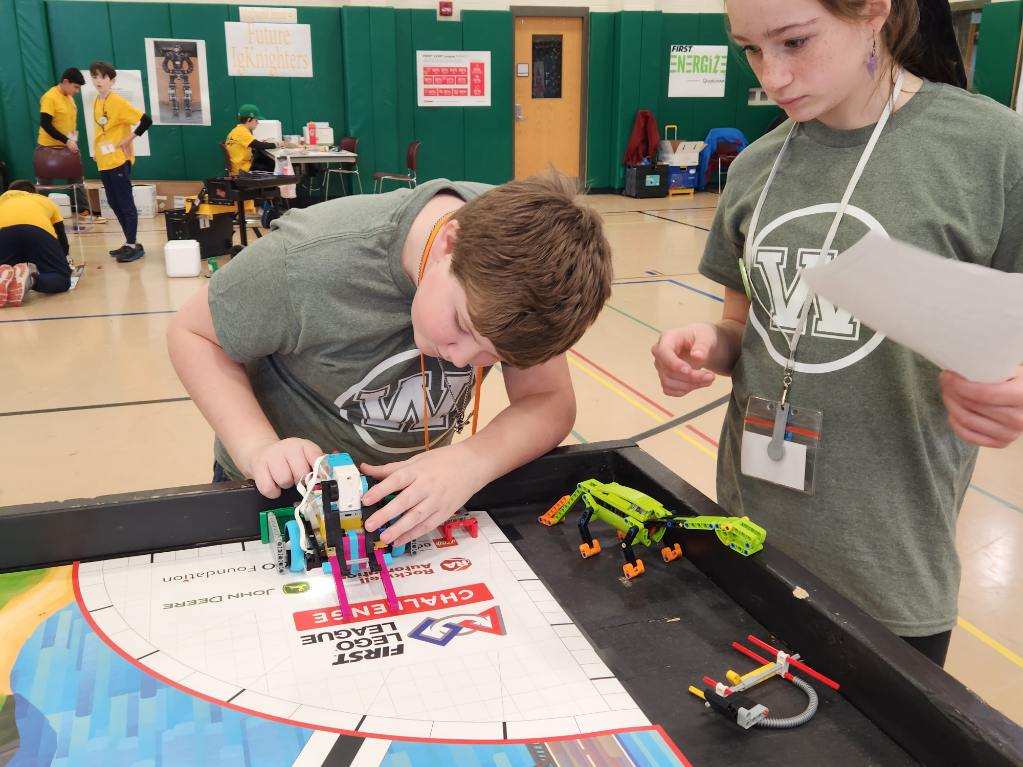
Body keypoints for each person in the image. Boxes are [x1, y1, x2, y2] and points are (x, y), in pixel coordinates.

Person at [651, 0, 1023, 667]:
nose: (773, 76)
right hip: (748, 540)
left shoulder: (991, 149)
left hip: (887, 565)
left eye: (794, 42)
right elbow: (741, 325)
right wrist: (708, 346)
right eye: (750, 50)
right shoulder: (755, 168)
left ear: (873, 12)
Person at [168, 173, 613, 547]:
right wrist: (258, 447)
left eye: (492, 356)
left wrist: (471, 461)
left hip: (409, 501)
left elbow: (548, 399)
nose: (463, 360)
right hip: (280, 494)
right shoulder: (307, 261)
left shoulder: (532, 272)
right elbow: (192, 333)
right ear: (449, 243)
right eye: (460, 325)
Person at [89, 61, 153, 263]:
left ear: (111, 80)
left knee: (125, 203)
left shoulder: (118, 102)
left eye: (102, 77)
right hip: (104, 161)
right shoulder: (97, 101)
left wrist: (130, 138)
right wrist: (96, 151)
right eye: (94, 76)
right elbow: (102, 130)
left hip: (118, 160)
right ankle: (128, 242)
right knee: (114, 202)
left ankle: (133, 244)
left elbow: (146, 120)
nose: (97, 81)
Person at [35, 67, 100, 224]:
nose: (77, 91)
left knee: (77, 180)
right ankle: (37, 215)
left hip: (68, 146)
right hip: (48, 149)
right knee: (44, 185)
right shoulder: (50, 97)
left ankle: (84, 211)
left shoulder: (69, 97)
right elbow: (45, 125)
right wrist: (66, 140)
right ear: (65, 82)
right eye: (75, 87)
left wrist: (72, 141)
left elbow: (69, 122)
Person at [0, 180, 72, 305]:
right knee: (62, 278)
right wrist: (62, 259)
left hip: (3, 234)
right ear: (33, 192)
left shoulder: (2, 201)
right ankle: (30, 280)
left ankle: (5, 276)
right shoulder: (44, 200)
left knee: (6, 270)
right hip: (37, 232)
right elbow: (61, 236)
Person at [225, 105, 277, 174]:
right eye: (256, 120)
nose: (257, 123)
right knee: (274, 165)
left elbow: (253, 143)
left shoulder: (237, 130)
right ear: (249, 119)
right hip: (243, 169)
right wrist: (277, 144)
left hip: (238, 166)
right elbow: (258, 145)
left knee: (266, 161)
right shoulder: (242, 132)